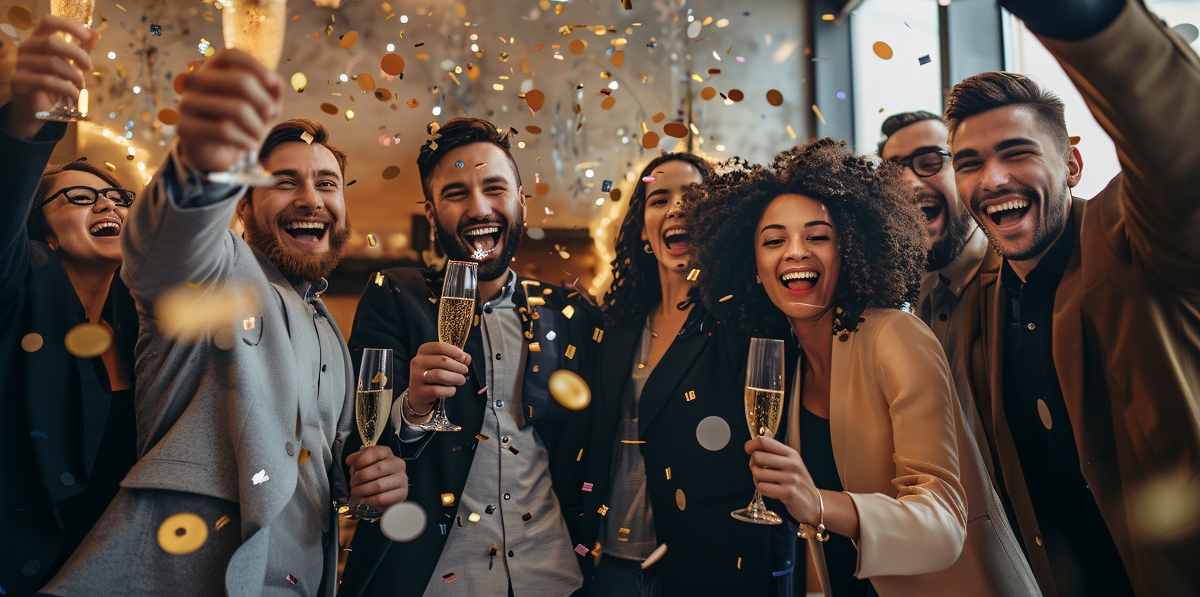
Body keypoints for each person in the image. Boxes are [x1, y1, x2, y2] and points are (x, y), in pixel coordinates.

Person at [914, 0, 1200, 597]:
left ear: (1072, 165)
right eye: (969, 162)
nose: (992, 178)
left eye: (1016, 153)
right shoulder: (980, 303)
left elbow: (1179, 140)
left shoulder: (1140, 241)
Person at [43, 50, 408, 597]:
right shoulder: (217, 268)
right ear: (241, 204)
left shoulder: (328, 325)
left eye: (327, 184)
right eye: (284, 181)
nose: (312, 198)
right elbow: (160, 243)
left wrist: (369, 484)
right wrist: (204, 156)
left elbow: (326, 474)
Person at [687, 138, 1036, 596]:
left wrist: (817, 503)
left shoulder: (896, 337)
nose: (795, 252)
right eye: (774, 241)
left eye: (817, 236)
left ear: (849, 250)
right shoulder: (787, 364)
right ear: (754, 266)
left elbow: (943, 524)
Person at [339, 117, 600, 597]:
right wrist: (413, 409)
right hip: (435, 580)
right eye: (456, 193)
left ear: (521, 200)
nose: (479, 208)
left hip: (554, 576)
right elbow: (358, 441)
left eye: (494, 188)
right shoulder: (396, 295)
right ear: (433, 212)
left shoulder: (570, 312)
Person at [580, 152, 796, 596]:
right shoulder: (615, 327)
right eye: (659, 199)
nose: (677, 207)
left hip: (706, 564)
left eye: (694, 197)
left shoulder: (744, 321)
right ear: (642, 228)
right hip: (610, 564)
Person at [0, 16, 139, 595]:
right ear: (46, 234)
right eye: (79, 198)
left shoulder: (136, 322)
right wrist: (27, 120)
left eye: (114, 197)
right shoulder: (18, 287)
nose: (103, 204)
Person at [878, 113, 1039, 594]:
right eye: (892, 173)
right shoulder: (907, 306)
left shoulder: (1017, 280)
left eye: (930, 162)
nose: (908, 182)